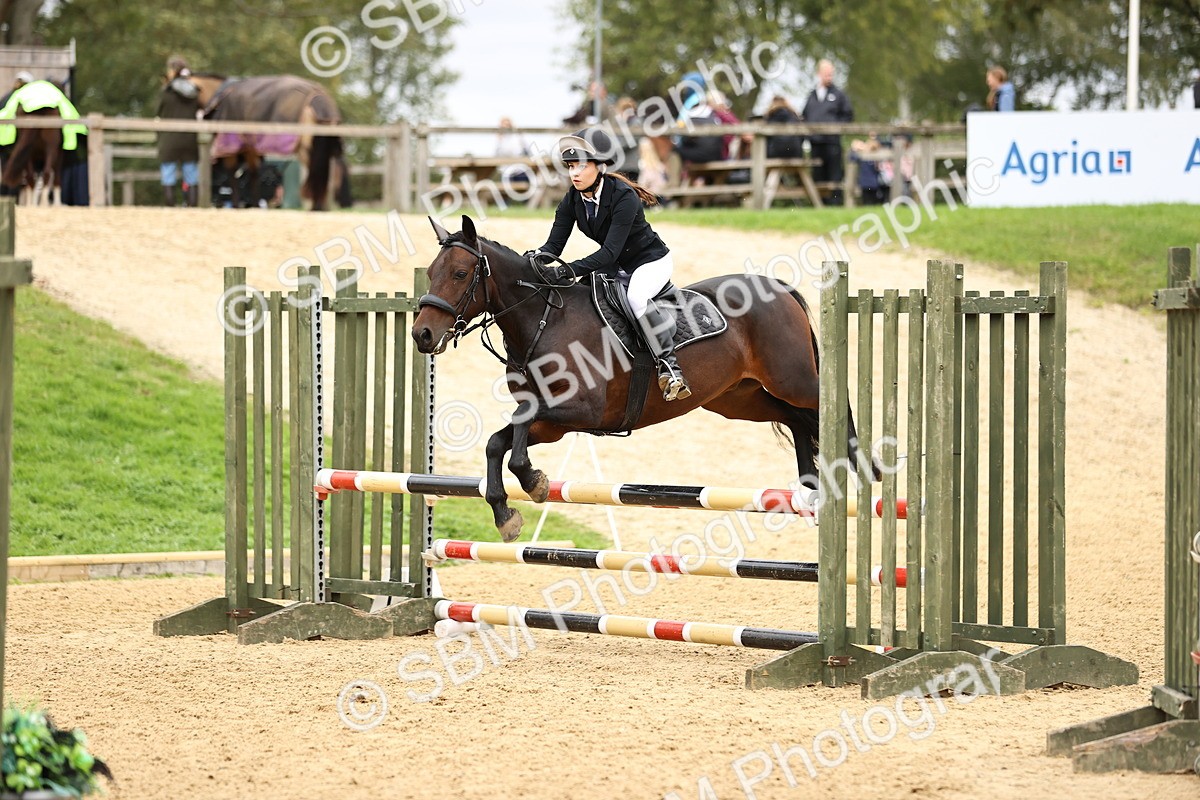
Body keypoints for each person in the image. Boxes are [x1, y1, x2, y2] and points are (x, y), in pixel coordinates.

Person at [531, 128, 690, 402]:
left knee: (637, 297)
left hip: (650, 261)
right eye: (570, 166)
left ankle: (670, 367)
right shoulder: (571, 200)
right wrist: (532, 261)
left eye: (581, 165)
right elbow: (553, 247)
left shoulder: (623, 196)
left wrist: (570, 269)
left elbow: (608, 252)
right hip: (616, 265)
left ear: (599, 166)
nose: (574, 173)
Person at [802, 59, 853, 205]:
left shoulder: (839, 95)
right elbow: (805, 116)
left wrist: (836, 128)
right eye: (826, 74)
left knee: (834, 176)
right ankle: (819, 205)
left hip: (832, 143)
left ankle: (835, 205)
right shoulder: (811, 96)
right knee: (818, 175)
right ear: (819, 74)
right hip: (815, 143)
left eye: (831, 74)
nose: (829, 77)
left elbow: (848, 115)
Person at [156, 56, 199, 206]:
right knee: (191, 175)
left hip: (169, 138)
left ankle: (170, 207)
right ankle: (193, 207)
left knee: (168, 174)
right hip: (189, 138)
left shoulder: (166, 92)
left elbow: (158, 112)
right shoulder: (195, 92)